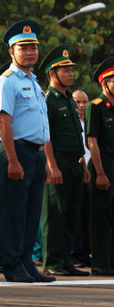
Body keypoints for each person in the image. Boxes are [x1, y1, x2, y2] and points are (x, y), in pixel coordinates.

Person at [0, 20, 57, 283]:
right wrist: (12, 159)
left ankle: (26, 261)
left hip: (36, 153)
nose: (30, 53)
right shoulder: (7, 82)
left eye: (33, 48)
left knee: (31, 213)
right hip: (16, 151)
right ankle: (11, 263)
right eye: (23, 48)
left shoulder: (33, 81)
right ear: (11, 52)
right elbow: (3, 122)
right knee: (14, 212)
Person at [39, 46, 90, 277]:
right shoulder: (48, 100)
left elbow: (76, 136)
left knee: (71, 214)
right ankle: (52, 261)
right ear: (52, 73)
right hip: (57, 161)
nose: (71, 74)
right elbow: (45, 134)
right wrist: (51, 165)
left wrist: (84, 165)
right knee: (54, 214)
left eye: (71, 70)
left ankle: (66, 259)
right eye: (65, 70)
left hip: (75, 162)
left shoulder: (70, 100)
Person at [85, 56, 114, 276]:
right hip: (103, 162)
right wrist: (101, 173)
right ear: (105, 83)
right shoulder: (96, 107)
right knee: (101, 216)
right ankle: (101, 262)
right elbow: (92, 142)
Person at [72, 88, 93, 268]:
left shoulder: (90, 123)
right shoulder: (71, 122)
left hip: (91, 172)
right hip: (75, 170)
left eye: (84, 102)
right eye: (77, 102)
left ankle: (85, 252)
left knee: (88, 214)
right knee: (75, 214)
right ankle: (73, 253)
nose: (81, 106)